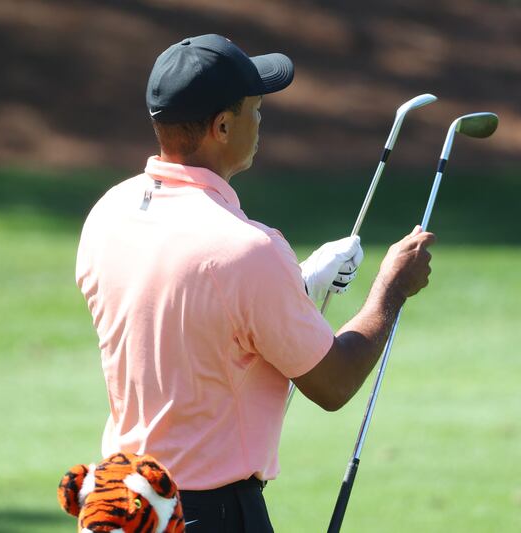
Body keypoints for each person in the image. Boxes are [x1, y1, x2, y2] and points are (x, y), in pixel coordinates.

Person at [75, 34, 435, 532]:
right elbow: (333, 383)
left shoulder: (109, 211)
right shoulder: (248, 250)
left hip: (119, 507)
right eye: (255, 109)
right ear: (222, 126)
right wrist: (391, 289)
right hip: (207, 515)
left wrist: (300, 283)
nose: (261, 120)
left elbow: (192, 322)